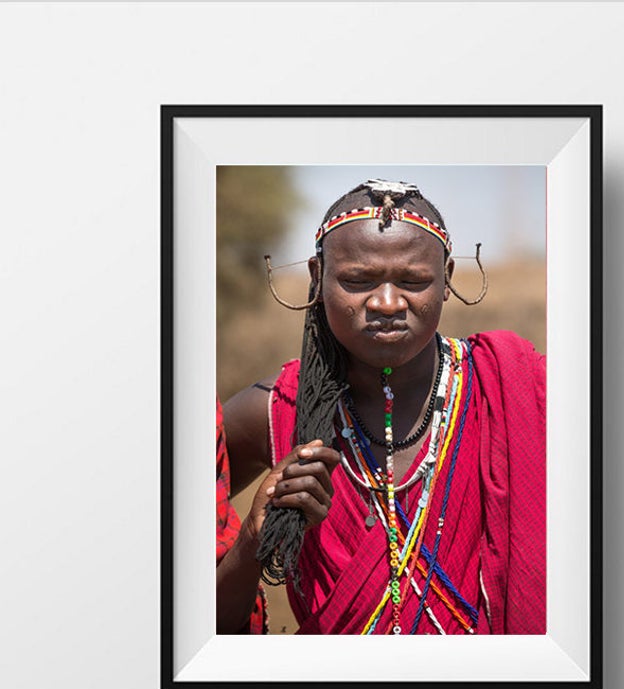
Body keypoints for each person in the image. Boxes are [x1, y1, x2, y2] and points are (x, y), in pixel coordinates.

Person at [216, 179, 545, 635]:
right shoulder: (274, 411)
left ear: (447, 278)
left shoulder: (514, 393)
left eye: (413, 281)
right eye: (357, 281)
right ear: (317, 276)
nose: (387, 303)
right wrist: (255, 536)